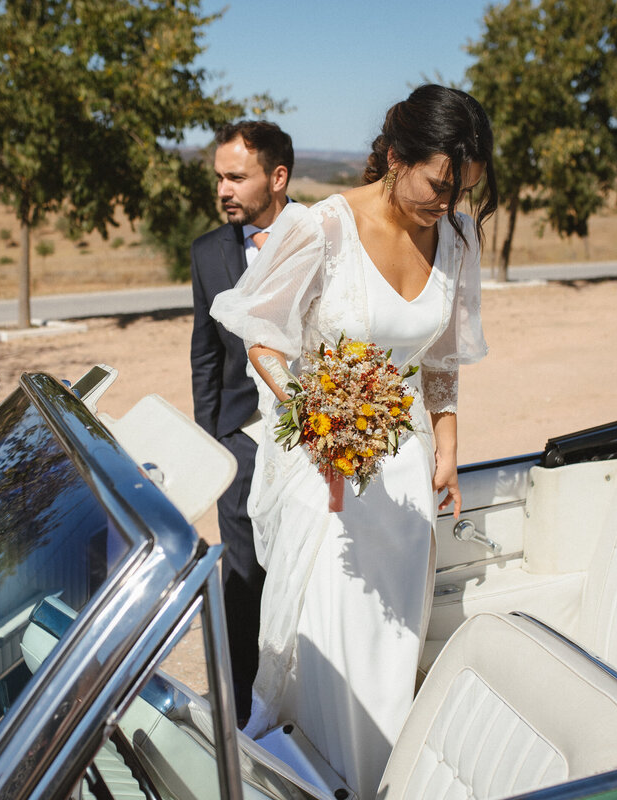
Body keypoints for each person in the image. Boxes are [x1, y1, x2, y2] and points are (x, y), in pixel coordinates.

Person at [209, 85, 496, 799]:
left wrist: (449, 448)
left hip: (404, 480)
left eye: (462, 191)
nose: (447, 203)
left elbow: (440, 364)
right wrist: (319, 414)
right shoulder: (323, 227)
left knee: (390, 654)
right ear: (395, 158)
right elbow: (262, 339)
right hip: (326, 471)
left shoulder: (458, 238)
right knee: (334, 654)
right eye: (437, 185)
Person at [190, 120, 293, 726]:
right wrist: (216, 438)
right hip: (240, 435)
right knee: (241, 571)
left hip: (307, 435)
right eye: (219, 178)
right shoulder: (208, 251)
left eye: (236, 176)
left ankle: (298, 696)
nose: (224, 189)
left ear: (277, 177)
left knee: (298, 561)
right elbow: (204, 349)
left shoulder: (321, 236)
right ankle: (235, 709)